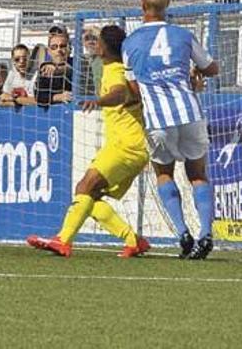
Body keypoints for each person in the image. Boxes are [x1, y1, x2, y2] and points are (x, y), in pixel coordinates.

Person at [27, 25, 150, 258]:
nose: (95, 44)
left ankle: (63, 240)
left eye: (98, 40)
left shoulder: (114, 70)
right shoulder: (119, 68)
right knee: (89, 195)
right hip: (130, 146)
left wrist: (100, 101)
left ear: (104, 47)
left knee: (84, 188)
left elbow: (119, 93)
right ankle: (133, 240)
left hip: (126, 146)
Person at [122, 0, 220, 260]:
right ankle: (205, 233)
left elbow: (134, 88)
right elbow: (210, 68)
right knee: (198, 175)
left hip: (158, 120)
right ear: (167, 6)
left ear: (142, 6)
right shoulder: (183, 35)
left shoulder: (131, 42)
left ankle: (182, 233)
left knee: (164, 173)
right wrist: (194, 77)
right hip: (189, 112)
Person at [35, 32, 73, 106]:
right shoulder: (46, 69)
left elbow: (70, 69)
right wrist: (59, 97)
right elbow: (39, 97)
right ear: (49, 51)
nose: (58, 50)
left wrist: (57, 69)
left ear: (69, 49)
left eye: (62, 46)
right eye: (54, 47)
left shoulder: (77, 63)